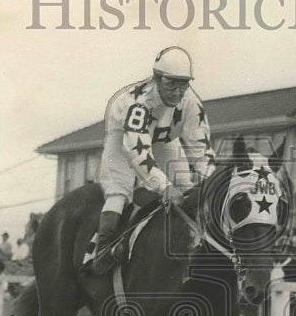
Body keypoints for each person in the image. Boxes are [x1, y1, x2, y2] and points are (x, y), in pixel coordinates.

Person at [90, 46, 215, 274]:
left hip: (164, 137)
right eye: (171, 84)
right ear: (157, 79)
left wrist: (213, 181)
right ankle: (103, 250)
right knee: (119, 191)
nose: (177, 93)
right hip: (125, 139)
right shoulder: (138, 104)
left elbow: (200, 148)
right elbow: (139, 153)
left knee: (187, 187)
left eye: (183, 84)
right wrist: (164, 187)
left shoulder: (191, 102)